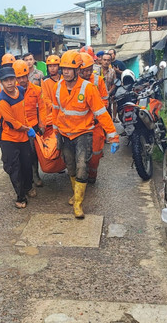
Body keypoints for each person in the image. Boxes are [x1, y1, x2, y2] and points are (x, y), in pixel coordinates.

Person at [52, 50, 120, 218]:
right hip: (64, 134)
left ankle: (78, 204)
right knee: (70, 166)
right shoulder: (57, 87)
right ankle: (75, 193)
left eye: (70, 68)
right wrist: (55, 132)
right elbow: (55, 111)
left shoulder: (88, 88)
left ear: (77, 70)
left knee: (83, 166)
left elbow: (101, 112)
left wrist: (113, 135)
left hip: (83, 133)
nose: (66, 71)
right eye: (64, 68)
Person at [0, 66, 37, 209]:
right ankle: (20, 197)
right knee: (14, 169)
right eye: (6, 80)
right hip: (9, 139)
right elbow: (13, 123)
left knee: (27, 165)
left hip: (23, 138)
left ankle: (28, 187)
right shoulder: (2, 100)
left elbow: (24, 111)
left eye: (12, 79)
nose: (10, 83)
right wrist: (29, 129)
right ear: (1, 83)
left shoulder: (20, 91)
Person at [13, 59, 47, 188]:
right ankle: (23, 179)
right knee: (19, 155)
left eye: (24, 77)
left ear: (28, 75)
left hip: (32, 126)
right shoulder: (12, 92)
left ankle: (35, 174)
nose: (22, 80)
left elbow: (42, 108)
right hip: (17, 127)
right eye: (19, 77)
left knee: (33, 153)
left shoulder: (36, 90)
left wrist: (42, 125)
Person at [79, 52, 110, 184]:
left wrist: (97, 116)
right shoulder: (74, 83)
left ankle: (92, 173)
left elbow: (105, 100)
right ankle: (80, 178)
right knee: (80, 155)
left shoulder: (98, 80)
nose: (87, 73)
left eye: (89, 70)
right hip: (80, 124)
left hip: (96, 124)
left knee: (96, 153)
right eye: (84, 70)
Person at [0, 53, 17, 134]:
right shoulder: (0, 85)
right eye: (6, 66)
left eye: (10, 65)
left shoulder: (20, 81)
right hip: (4, 121)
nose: (8, 68)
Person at [41, 55, 61, 129]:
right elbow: (45, 97)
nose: (52, 68)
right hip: (50, 113)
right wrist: (53, 107)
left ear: (59, 66)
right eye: (50, 66)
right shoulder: (44, 80)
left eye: (55, 66)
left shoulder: (63, 78)